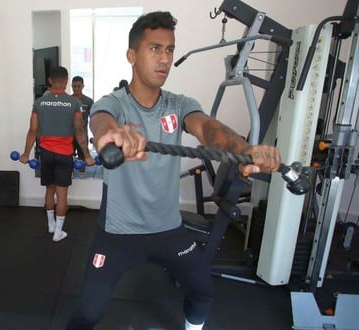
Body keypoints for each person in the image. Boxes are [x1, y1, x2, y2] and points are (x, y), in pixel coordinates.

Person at [66, 11, 281, 330]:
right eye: (154, 48)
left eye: (169, 49)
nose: (164, 58)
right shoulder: (114, 103)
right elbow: (101, 121)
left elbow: (209, 129)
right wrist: (112, 136)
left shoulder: (179, 105)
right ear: (132, 55)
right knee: (89, 312)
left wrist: (245, 150)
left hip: (168, 229)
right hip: (118, 233)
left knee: (203, 292)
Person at [20, 66, 95, 242]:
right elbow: (79, 131)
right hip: (64, 154)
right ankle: (58, 232)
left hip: (45, 154)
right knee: (62, 195)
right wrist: (88, 156)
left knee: (49, 189)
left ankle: (51, 225)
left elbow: (32, 131)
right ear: (67, 81)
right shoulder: (74, 103)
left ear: (50, 81)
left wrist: (25, 154)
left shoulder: (39, 103)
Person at [70, 76, 94, 162]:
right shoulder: (68, 101)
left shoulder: (89, 101)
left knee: (83, 158)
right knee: (68, 158)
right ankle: (70, 174)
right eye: (74, 86)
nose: (76, 89)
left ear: (83, 86)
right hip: (69, 135)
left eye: (78, 86)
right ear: (71, 86)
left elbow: (93, 118)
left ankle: (81, 175)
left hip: (83, 135)